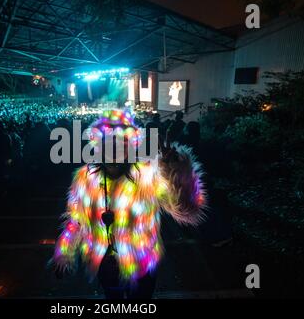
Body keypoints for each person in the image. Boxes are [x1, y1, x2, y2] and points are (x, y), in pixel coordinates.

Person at [50, 109, 207, 299]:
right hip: (105, 265)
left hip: (141, 266)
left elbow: (186, 210)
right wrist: (64, 253)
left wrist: (175, 173)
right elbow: (75, 220)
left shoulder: (148, 175)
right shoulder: (84, 179)